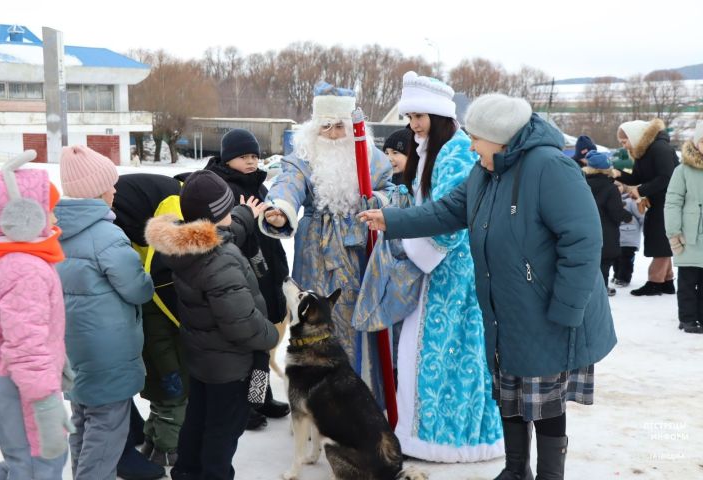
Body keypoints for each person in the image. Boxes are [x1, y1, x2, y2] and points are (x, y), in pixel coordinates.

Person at [359, 93, 617, 480]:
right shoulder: (484, 170)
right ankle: (515, 471)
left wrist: (567, 310)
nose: (470, 143)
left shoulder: (550, 168)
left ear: (501, 138)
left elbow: (583, 241)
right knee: (508, 390)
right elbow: (446, 211)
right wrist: (392, 220)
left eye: (477, 137)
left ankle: (549, 475)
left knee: (545, 403)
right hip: (504, 304)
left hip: (550, 308)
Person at [382, 71, 503, 462]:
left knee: (444, 351)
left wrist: (407, 243)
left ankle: (442, 438)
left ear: (438, 116)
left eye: (419, 116)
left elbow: (451, 217)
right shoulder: (433, 151)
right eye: (410, 117)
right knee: (449, 351)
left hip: (449, 268)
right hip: (443, 265)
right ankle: (439, 434)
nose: (413, 125)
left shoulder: (453, 152)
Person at [259, 81, 393, 397]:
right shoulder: (303, 157)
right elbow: (286, 185)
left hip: (356, 249)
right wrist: (280, 210)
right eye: (325, 126)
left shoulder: (371, 159)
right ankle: (314, 399)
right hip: (313, 250)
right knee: (311, 322)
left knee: (353, 320)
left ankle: (355, 395)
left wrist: (377, 203)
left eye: (339, 126)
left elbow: (390, 192)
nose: (332, 134)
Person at [145, 170, 279, 480]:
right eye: (228, 209)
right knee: (222, 434)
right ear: (219, 215)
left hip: (204, 362)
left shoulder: (188, 247)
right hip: (232, 367)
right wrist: (270, 334)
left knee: (197, 423)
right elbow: (241, 323)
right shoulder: (222, 260)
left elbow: (228, 233)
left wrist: (244, 214)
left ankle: (187, 472)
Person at [55, 146, 158, 480]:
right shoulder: (108, 236)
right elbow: (137, 288)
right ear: (98, 191)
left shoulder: (55, 234)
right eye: (111, 185)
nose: (115, 190)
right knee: (108, 429)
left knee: (82, 422)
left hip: (73, 349)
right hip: (108, 353)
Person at [0, 154, 72, 479]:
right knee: (39, 466)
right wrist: (45, 400)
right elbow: (24, 344)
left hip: (16, 380)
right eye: (47, 207)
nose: (52, 215)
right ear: (22, 216)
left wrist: (58, 363)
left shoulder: (12, 260)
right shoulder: (25, 268)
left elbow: (29, 329)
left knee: (22, 462)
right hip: (20, 386)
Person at [204, 129, 291, 427]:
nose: (252, 162)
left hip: (267, 273)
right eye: (244, 157)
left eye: (255, 156)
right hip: (242, 276)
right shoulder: (221, 188)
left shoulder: (258, 186)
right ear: (229, 158)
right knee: (247, 346)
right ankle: (246, 404)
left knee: (262, 345)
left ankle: (260, 397)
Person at [112, 173, 189, 466]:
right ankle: (167, 451)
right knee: (172, 407)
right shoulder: (159, 292)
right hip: (172, 367)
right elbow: (163, 341)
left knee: (161, 407)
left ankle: (153, 447)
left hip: (154, 365)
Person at [612, 119, 679, 296]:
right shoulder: (645, 151)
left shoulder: (660, 148)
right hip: (659, 202)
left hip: (670, 202)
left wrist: (640, 190)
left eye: (624, 141)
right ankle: (667, 281)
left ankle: (655, 282)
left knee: (661, 240)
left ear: (633, 137)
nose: (624, 146)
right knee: (659, 239)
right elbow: (637, 177)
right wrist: (618, 175)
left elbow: (667, 176)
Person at [664, 121, 703, 334]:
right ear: (696, 143)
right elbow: (673, 201)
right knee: (688, 280)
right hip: (690, 234)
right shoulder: (683, 170)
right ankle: (687, 319)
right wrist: (673, 231)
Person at [582, 150, 632, 296]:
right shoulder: (610, 188)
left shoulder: (581, 183)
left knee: (590, 262)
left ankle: (589, 289)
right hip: (606, 232)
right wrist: (627, 216)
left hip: (585, 230)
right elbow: (615, 212)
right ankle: (601, 288)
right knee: (604, 262)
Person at [612, 185, 645, 288]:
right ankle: (617, 275)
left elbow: (641, 216)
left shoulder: (631, 200)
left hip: (629, 236)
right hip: (616, 237)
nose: (617, 188)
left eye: (619, 186)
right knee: (616, 258)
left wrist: (644, 228)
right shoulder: (611, 199)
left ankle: (624, 278)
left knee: (626, 258)